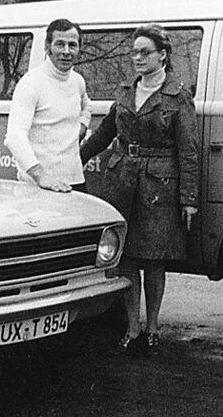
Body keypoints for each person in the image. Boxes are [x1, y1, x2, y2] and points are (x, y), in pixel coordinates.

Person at [80, 23, 198, 355]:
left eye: (145, 52)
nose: (138, 58)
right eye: (134, 52)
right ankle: (132, 327)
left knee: (155, 260)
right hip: (122, 182)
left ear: (163, 55)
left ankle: (153, 327)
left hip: (160, 186)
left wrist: (189, 199)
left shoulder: (177, 96)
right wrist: (74, 160)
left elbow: (188, 150)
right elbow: (104, 135)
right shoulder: (125, 92)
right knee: (127, 259)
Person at [5, 18, 92, 192]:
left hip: (75, 179)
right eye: (60, 44)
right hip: (38, 185)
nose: (66, 52)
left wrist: (82, 126)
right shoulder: (30, 83)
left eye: (72, 45)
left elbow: (87, 105)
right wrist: (40, 176)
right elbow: (15, 137)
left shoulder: (78, 81)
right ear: (47, 46)